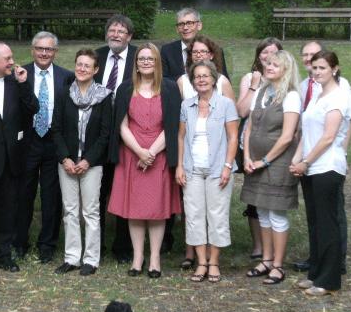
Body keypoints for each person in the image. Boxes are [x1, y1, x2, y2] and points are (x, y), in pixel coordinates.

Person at [108, 43, 182, 278]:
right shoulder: (125, 88)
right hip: (131, 154)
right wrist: (140, 151)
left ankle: (155, 258)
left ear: (157, 62)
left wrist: (151, 152)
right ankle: (138, 257)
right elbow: (121, 124)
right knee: (135, 209)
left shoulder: (169, 88)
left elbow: (172, 126)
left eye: (151, 58)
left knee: (156, 209)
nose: (146, 62)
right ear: (136, 63)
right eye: (142, 59)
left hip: (160, 155)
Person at [290, 50, 351, 296]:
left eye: (322, 68)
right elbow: (308, 132)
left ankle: (329, 280)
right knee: (315, 222)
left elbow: (328, 137)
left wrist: (306, 162)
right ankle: (315, 273)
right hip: (310, 166)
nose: (317, 72)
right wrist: (297, 159)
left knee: (327, 224)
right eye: (314, 67)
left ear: (334, 69)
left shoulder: (338, 97)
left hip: (327, 166)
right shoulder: (317, 94)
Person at [241, 50, 301, 285]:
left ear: (286, 69)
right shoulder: (262, 92)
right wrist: (247, 156)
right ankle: (266, 260)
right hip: (254, 161)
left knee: (276, 213)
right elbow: (249, 127)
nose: (269, 67)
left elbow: (287, 137)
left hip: (277, 163)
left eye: (275, 64)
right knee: (262, 213)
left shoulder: (291, 96)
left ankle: (278, 265)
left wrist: (264, 161)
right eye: (268, 63)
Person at [175, 61, 238, 283]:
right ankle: (201, 262)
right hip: (192, 169)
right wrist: (180, 165)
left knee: (217, 215)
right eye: (197, 76)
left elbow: (233, 137)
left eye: (205, 76)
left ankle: (214, 262)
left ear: (213, 79)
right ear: (193, 81)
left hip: (218, 168)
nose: (201, 80)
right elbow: (181, 137)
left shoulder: (226, 104)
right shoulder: (187, 105)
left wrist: (227, 166)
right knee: (193, 215)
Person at [0, 41, 39, 273]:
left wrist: (24, 85)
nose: (13, 62)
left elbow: (33, 108)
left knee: (7, 210)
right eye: (8, 58)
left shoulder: (17, 83)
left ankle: (4, 255)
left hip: (12, 159)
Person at [52, 48, 112, 276]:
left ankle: (91, 259)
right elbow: (56, 129)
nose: (82, 69)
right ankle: (72, 257)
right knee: (70, 210)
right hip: (66, 162)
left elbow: (105, 134)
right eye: (79, 64)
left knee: (91, 211)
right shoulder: (64, 94)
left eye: (87, 65)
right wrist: (64, 158)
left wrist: (88, 160)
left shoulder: (104, 97)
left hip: (92, 164)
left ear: (95, 70)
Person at [15, 31, 73, 263]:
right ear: (32, 50)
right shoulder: (20, 74)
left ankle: (47, 244)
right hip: (27, 141)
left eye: (49, 49)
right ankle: (20, 242)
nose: (44, 53)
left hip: (53, 141)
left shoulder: (66, 77)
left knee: (51, 197)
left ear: (55, 52)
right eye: (40, 48)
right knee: (24, 194)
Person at [94, 14, 136, 264]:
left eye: (121, 31)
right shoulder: (96, 56)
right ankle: (95, 246)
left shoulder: (139, 57)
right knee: (98, 191)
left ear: (129, 36)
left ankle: (123, 246)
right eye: (112, 30)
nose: (116, 35)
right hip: (99, 134)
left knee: (124, 189)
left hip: (129, 133)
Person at [236, 37, 283, 260]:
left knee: (273, 197)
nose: (268, 56)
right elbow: (241, 111)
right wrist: (255, 84)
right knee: (254, 196)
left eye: (273, 52)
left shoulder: (284, 81)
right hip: (251, 145)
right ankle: (258, 245)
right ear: (258, 55)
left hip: (276, 145)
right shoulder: (250, 78)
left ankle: (273, 246)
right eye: (264, 52)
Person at [160, 8, 229, 81]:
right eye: (181, 24)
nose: (185, 28)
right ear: (177, 29)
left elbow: (224, 80)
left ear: (199, 25)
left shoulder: (214, 49)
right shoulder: (167, 51)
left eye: (189, 23)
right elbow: (163, 81)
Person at [177, 35, 235, 101]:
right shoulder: (182, 81)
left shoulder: (222, 81)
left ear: (211, 55)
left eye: (203, 51)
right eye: (195, 52)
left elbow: (231, 107)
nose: (198, 55)